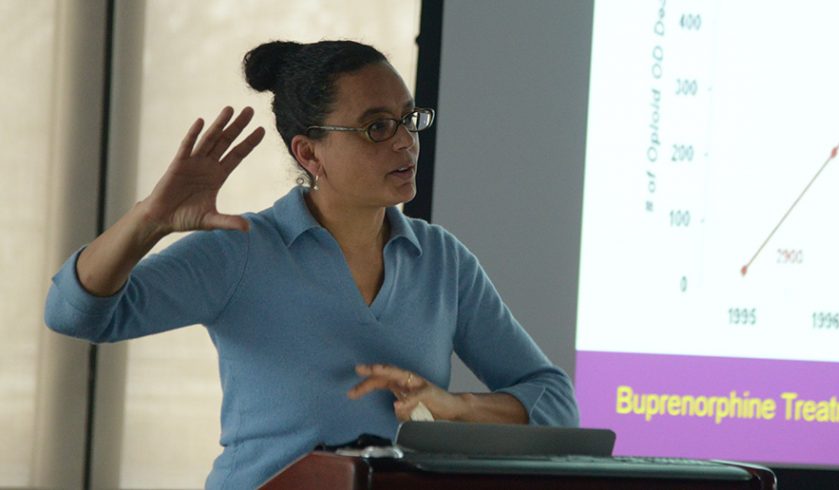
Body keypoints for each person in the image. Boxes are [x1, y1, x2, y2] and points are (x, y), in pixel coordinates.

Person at [44, 40, 579, 488]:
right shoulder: (243, 248)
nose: (406, 142)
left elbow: (553, 401)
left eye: (408, 119)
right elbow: (76, 316)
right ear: (309, 154)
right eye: (376, 127)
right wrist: (148, 221)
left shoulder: (442, 260)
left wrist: (456, 407)